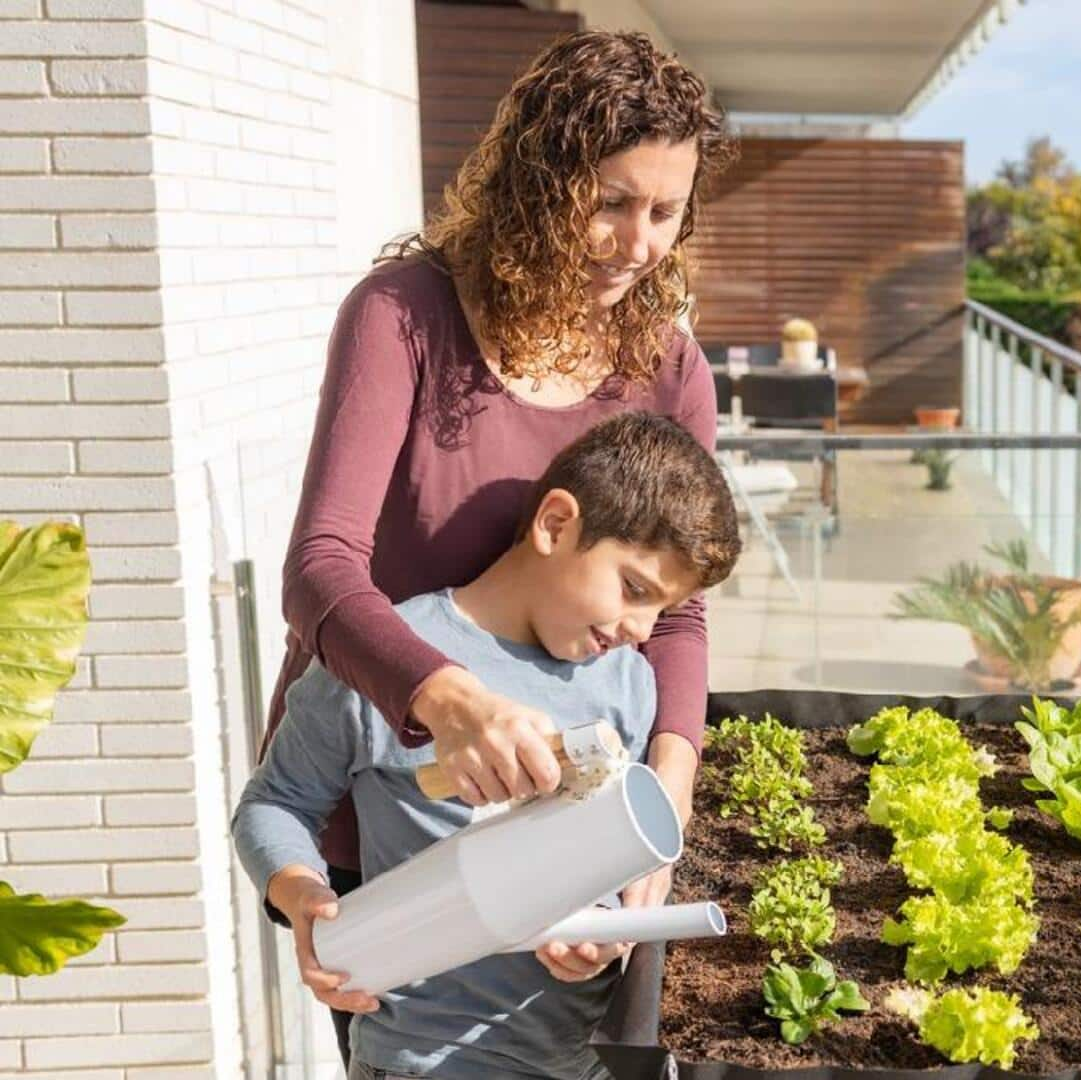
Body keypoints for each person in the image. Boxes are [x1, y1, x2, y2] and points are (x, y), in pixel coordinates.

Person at [264, 30, 734, 1060]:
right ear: (539, 179)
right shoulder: (405, 316)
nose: (639, 242)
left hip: (569, 828)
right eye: (611, 201)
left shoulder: (669, 368)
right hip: (393, 800)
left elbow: (682, 616)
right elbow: (320, 569)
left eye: (665, 211)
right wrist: (452, 702)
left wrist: (662, 812)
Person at [235, 413, 743, 1079]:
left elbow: (618, 859)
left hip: (585, 1059)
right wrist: (302, 894)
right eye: (635, 589)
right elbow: (274, 803)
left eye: (661, 610)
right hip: (429, 1058)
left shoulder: (629, 685)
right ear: (555, 525)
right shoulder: (389, 663)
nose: (641, 627)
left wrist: (607, 936)